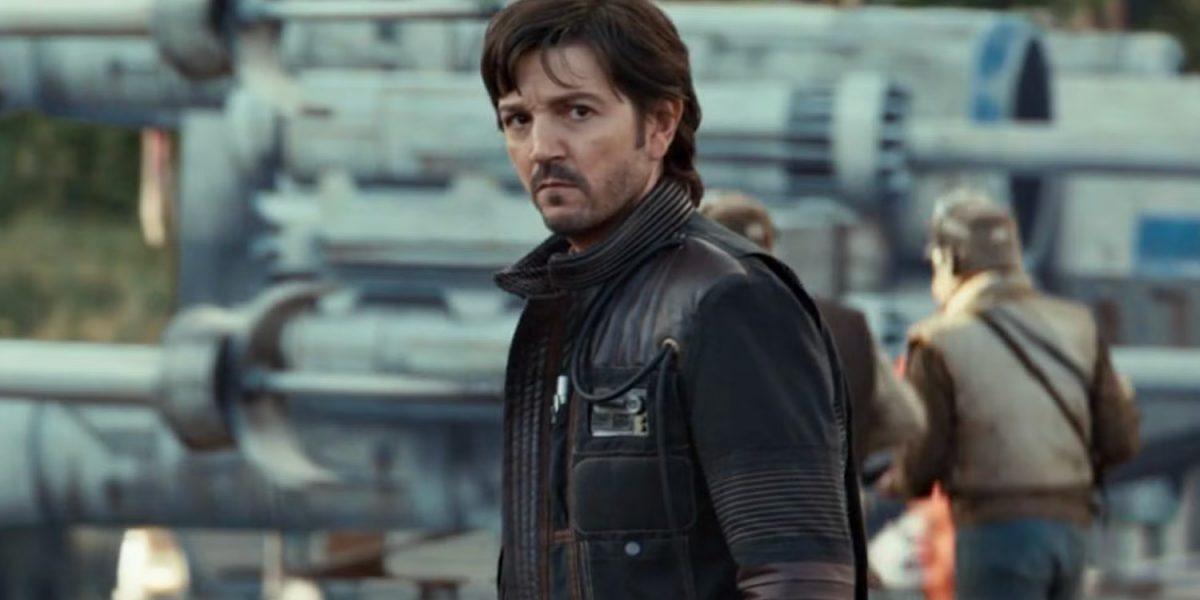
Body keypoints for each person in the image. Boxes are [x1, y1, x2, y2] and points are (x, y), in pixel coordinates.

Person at [481, 1, 866, 598]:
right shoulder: (562, 303)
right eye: (518, 119)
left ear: (660, 124)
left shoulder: (729, 298)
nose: (541, 148)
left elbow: (798, 579)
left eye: (577, 111)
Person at [880, 189, 1140, 600]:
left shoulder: (938, 341)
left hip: (996, 532)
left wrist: (896, 482)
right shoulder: (1078, 326)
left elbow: (924, 458)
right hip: (1071, 533)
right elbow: (1120, 440)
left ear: (949, 260)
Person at [699, 192, 926, 473]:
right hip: (839, 492)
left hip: (736, 495)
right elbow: (905, 419)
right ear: (771, 247)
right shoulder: (845, 322)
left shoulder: (699, 327)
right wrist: (849, 451)